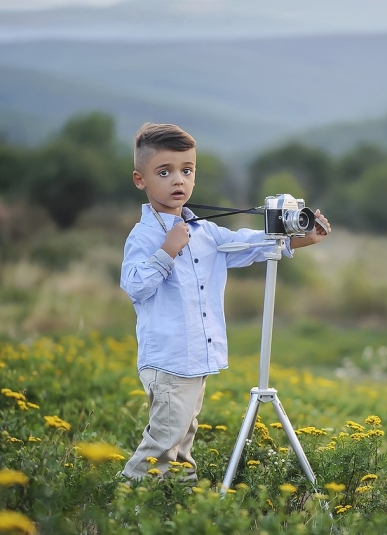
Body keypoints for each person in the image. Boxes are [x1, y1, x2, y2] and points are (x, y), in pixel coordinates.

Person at [120, 123, 330, 482]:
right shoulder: (145, 235)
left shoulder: (205, 231)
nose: (178, 181)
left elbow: (246, 244)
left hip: (196, 357)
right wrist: (167, 251)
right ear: (140, 180)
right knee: (164, 438)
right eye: (164, 172)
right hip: (169, 358)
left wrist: (299, 239)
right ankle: (126, 500)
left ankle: (178, 495)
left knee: (183, 435)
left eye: (187, 171)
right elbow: (135, 286)